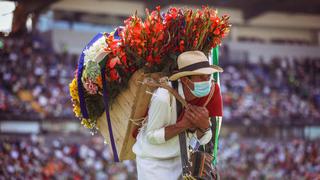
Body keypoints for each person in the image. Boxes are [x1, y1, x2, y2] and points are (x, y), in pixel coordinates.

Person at [132, 50, 223, 180]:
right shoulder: (163, 97)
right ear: (185, 80)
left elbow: (203, 139)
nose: (207, 80)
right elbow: (151, 137)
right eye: (201, 77)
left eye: (208, 76)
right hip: (153, 162)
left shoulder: (211, 92)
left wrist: (204, 127)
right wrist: (183, 125)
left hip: (183, 160)